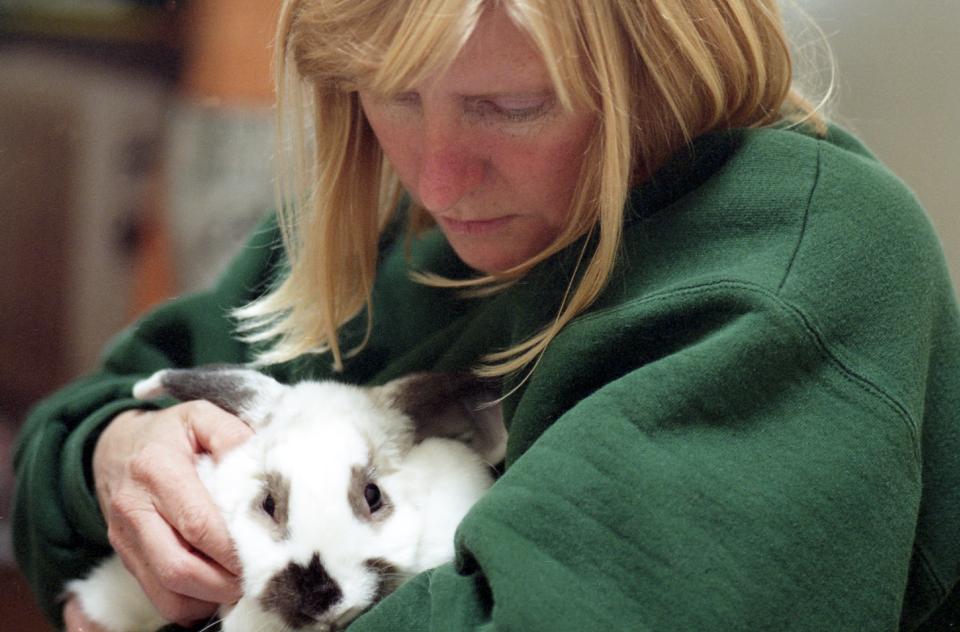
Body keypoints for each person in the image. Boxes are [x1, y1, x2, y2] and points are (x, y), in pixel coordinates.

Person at [13, 0, 960, 630]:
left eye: (509, 106)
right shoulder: (390, 218)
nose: (436, 177)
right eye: (394, 94)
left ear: (656, 65)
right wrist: (117, 456)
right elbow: (61, 449)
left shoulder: (798, 267)